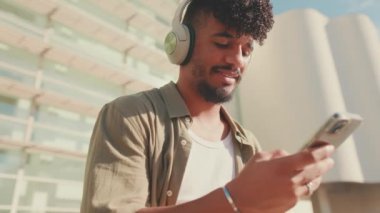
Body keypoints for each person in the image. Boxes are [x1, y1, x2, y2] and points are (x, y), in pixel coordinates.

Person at [80, 0, 335, 212]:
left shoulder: (248, 144)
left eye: (246, 50)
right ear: (182, 45)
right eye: (222, 44)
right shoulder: (130, 116)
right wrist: (234, 200)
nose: (237, 60)